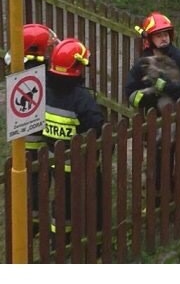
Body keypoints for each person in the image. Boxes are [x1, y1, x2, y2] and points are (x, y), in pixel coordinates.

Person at [125, 11, 180, 191]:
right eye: (159, 35)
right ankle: (160, 200)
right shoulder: (142, 64)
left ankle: (179, 190)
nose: (164, 39)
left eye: (166, 34)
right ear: (149, 38)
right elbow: (131, 95)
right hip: (159, 124)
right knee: (159, 168)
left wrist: (167, 87)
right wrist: (151, 94)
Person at [42, 38, 104, 244]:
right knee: (92, 199)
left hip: (54, 160)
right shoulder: (80, 98)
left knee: (61, 202)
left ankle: (58, 240)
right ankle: (95, 239)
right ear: (77, 69)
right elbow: (97, 126)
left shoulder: (44, 91)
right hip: (82, 164)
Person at [4, 23, 59, 235]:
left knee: (34, 180)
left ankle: (33, 218)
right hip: (37, 137)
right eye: (49, 46)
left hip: (27, 136)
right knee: (37, 180)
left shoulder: (21, 66)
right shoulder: (38, 73)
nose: (52, 49)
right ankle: (34, 218)